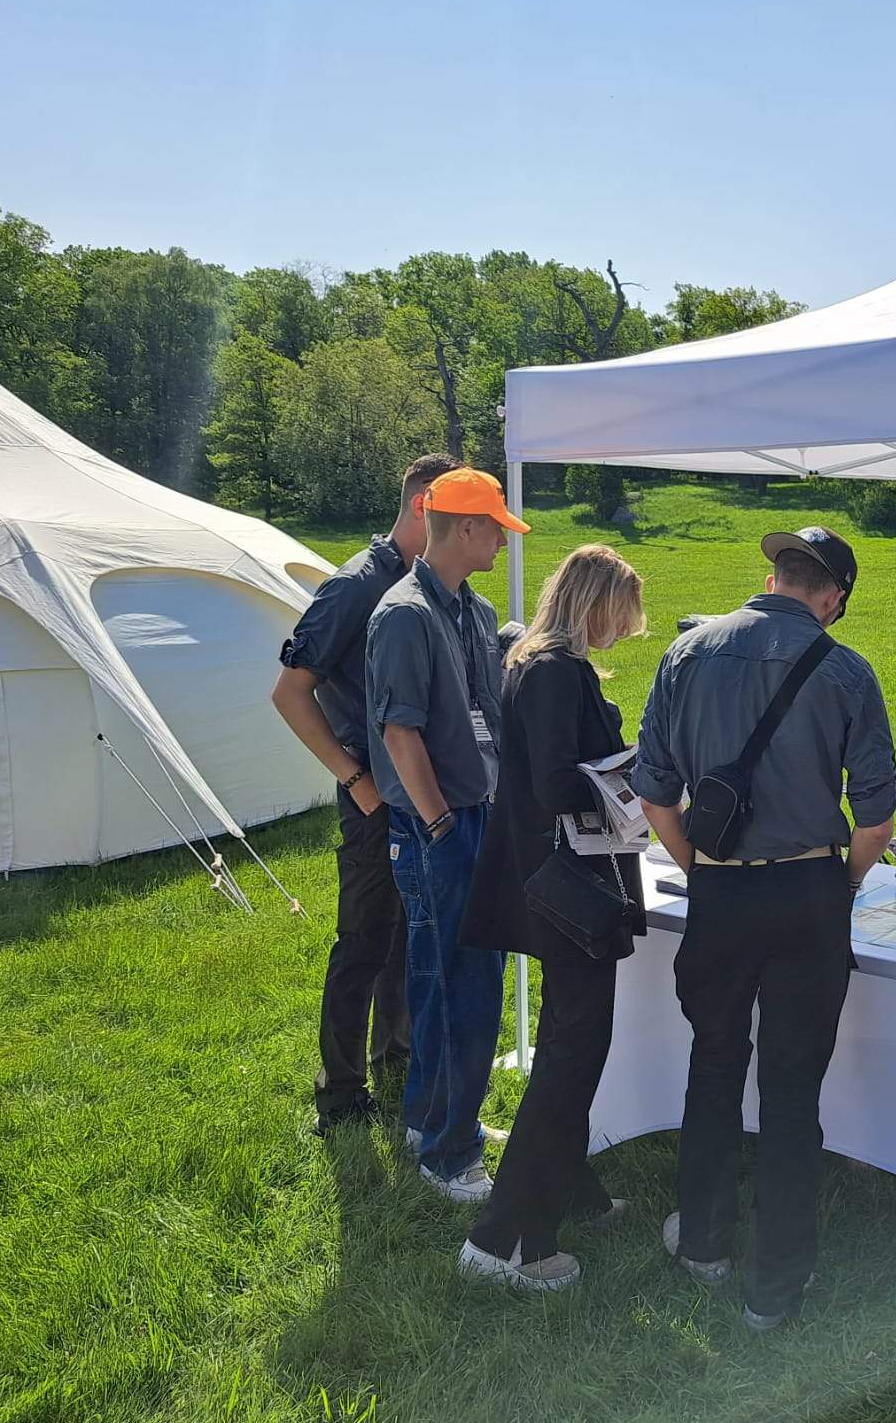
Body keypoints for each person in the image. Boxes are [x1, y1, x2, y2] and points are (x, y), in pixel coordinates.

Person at [634, 526, 896, 1331]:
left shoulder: (687, 653)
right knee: (791, 1094)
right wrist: (845, 883)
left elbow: (653, 792)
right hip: (808, 898)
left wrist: (696, 867)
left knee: (712, 1066)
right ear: (834, 598)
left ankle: (704, 1244)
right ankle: (776, 1288)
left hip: (720, 897)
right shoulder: (847, 669)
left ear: (776, 575)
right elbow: (879, 814)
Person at [457, 545, 649, 1291]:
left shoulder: (530, 662)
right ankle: (506, 1240)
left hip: (550, 882)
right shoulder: (556, 671)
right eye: (621, 614)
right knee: (573, 1053)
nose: (625, 630)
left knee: (575, 1048)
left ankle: (573, 1192)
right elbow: (553, 782)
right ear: (595, 601)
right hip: (569, 889)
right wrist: (622, 773)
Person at [272, 451, 459, 1135]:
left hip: (421, 796)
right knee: (364, 940)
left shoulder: (433, 584)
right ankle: (341, 1091)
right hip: (375, 798)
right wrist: (356, 779)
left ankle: (396, 1052)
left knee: (412, 934)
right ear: (422, 508)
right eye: (459, 516)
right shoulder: (356, 587)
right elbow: (290, 691)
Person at [365, 467, 526, 1202]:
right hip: (440, 824)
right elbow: (400, 732)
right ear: (465, 527)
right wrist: (436, 824)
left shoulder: (470, 609)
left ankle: (434, 1120)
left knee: (452, 978)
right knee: (458, 986)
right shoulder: (403, 614)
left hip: (474, 816)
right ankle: (448, 1154)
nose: (502, 540)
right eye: (496, 527)